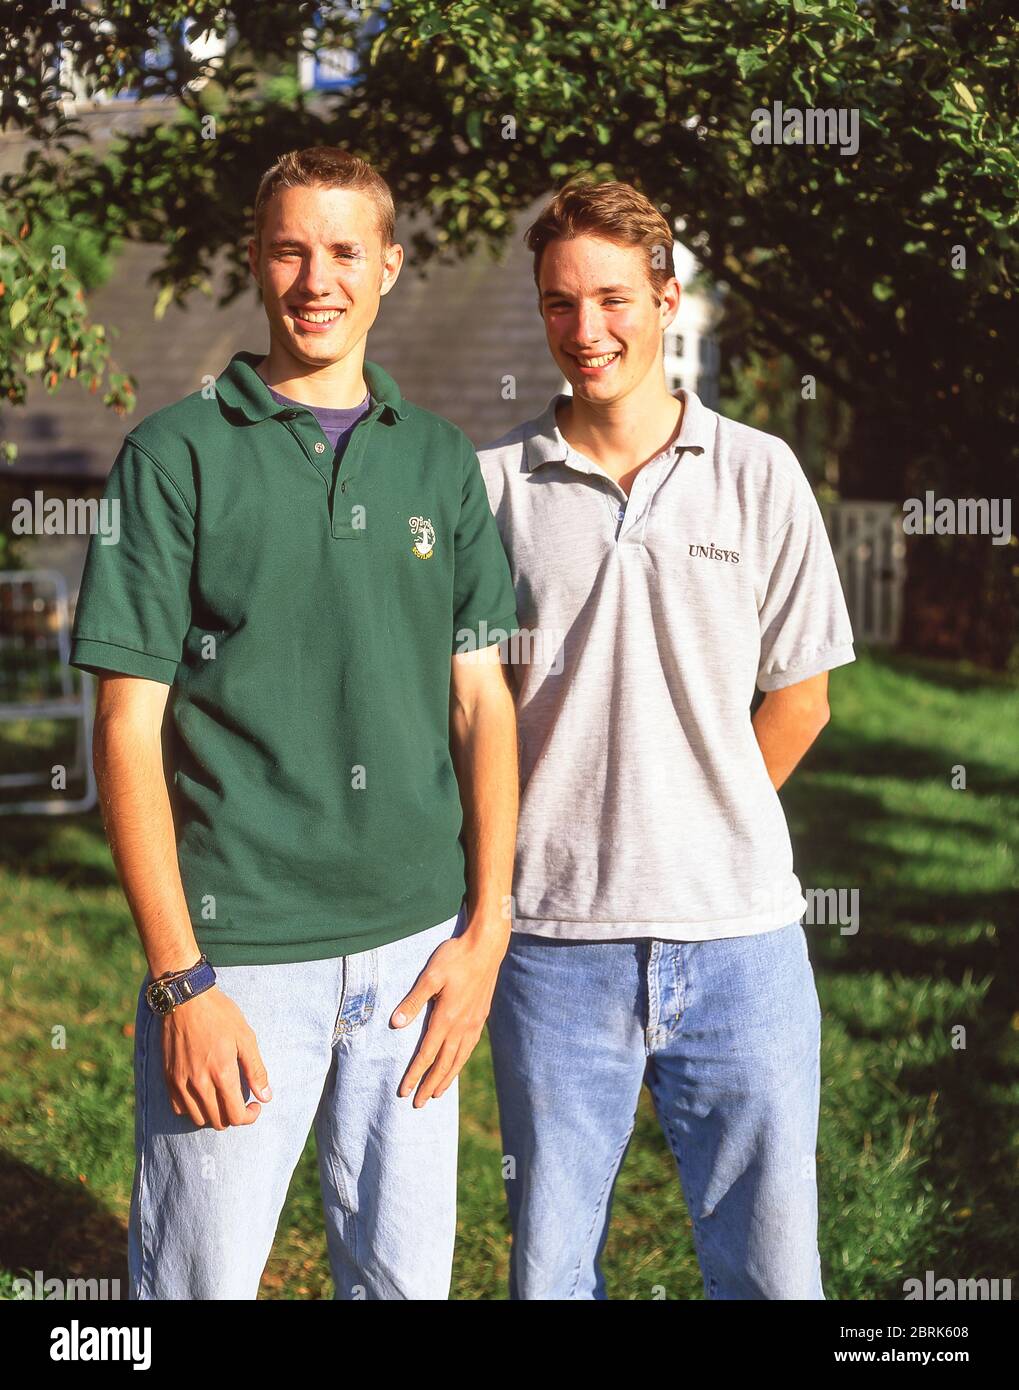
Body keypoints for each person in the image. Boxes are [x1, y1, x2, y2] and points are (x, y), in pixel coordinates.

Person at [69, 147, 519, 1300]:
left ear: (388, 268)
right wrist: (181, 981)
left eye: (343, 252)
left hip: (417, 952)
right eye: (290, 249)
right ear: (256, 262)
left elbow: (481, 702)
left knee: (404, 1287)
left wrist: (486, 932)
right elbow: (126, 726)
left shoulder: (438, 462)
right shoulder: (171, 456)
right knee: (196, 1288)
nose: (317, 279)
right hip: (239, 956)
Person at [477, 179, 855, 1300]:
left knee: (772, 1271)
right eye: (557, 304)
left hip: (741, 943)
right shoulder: (490, 486)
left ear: (665, 296)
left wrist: (696, 814)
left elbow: (801, 696)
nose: (584, 330)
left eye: (609, 298)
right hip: (549, 946)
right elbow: (475, 706)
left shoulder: (757, 473)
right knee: (549, 1270)